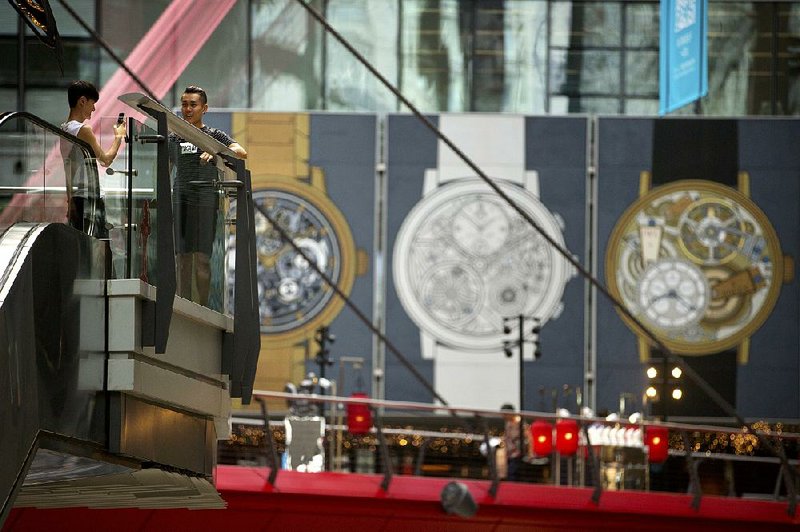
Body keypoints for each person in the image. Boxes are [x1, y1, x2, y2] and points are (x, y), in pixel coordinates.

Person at [170, 85, 247, 305]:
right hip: (180, 198)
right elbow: (165, 168)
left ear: (204, 108)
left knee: (202, 260)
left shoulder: (213, 135)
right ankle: (182, 305)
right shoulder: (175, 137)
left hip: (206, 199)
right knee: (182, 260)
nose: (187, 109)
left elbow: (242, 153)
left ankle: (201, 308)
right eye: (184, 104)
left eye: (193, 105)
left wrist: (215, 151)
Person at [61, 80, 126, 231]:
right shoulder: (83, 130)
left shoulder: (64, 128)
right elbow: (105, 160)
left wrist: (70, 200)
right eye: (92, 103)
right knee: (98, 248)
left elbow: (68, 167)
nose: (94, 108)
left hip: (77, 198)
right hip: (88, 199)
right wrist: (119, 136)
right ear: (82, 101)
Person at [501, 403, 524, 481]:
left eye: (505, 414)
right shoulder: (508, 423)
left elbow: (515, 437)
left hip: (516, 454)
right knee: (509, 473)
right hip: (509, 453)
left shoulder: (518, 423)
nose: (503, 416)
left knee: (512, 474)